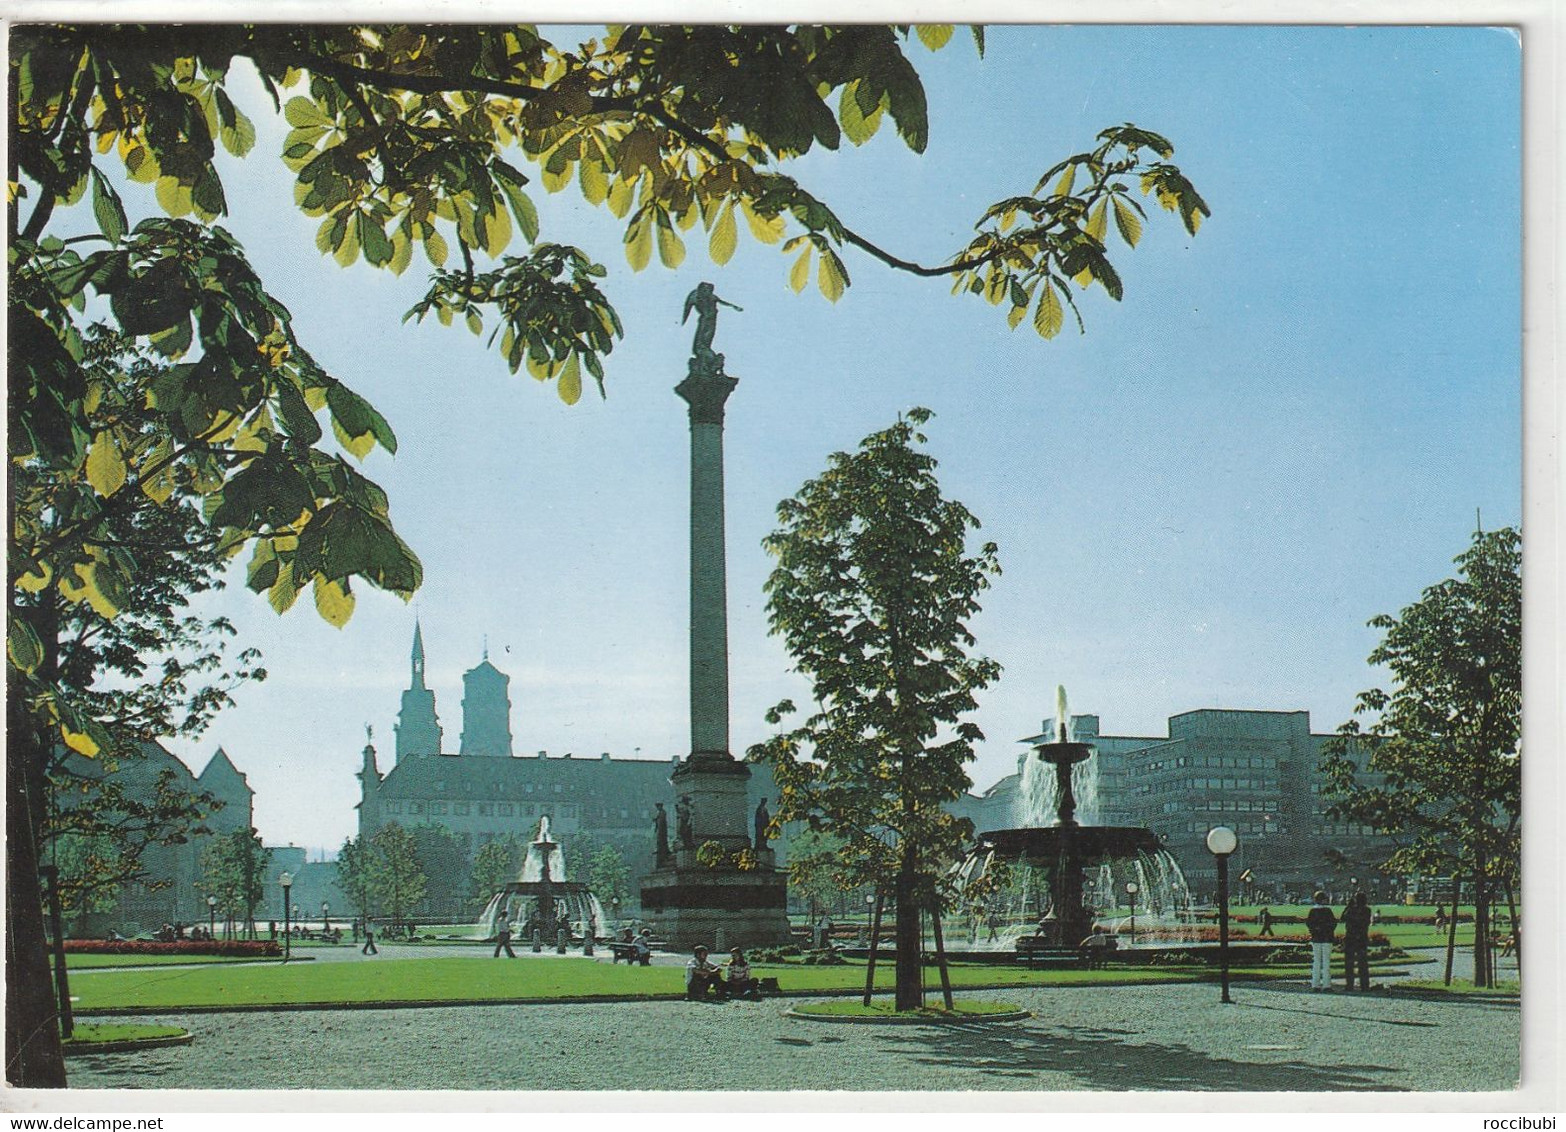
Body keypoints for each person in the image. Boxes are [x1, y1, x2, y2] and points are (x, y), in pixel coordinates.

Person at [1305, 890, 1338, 991]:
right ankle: (1327, 985)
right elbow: (1333, 924)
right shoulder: (1328, 911)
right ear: (1323, 900)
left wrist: (1315, 931)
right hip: (1327, 939)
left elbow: (1309, 924)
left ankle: (1315, 985)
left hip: (1316, 939)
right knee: (1326, 962)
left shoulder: (1312, 911)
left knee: (1316, 962)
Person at [1341, 892, 1373, 991]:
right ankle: (1364, 985)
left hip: (1351, 938)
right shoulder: (1367, 910)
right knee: (1363, 963)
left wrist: (1348, 906)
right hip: (1362, 938)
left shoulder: (1351, 910)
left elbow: (1343, 918)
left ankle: (1349, 985)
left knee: (1349, 963)